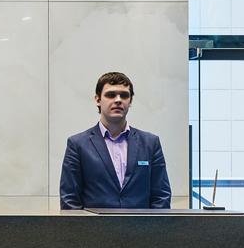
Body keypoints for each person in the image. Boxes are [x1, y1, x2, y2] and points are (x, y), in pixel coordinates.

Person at [59, 71, 171, 210]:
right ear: (98, 100)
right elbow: (70, 199)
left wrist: (156, 224)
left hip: (141, 224)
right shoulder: (78, 145)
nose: (118, 100)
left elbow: (161, 196)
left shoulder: (150, 143)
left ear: (130, 101)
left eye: (124, 95)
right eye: (110, 95)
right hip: (95, 224)